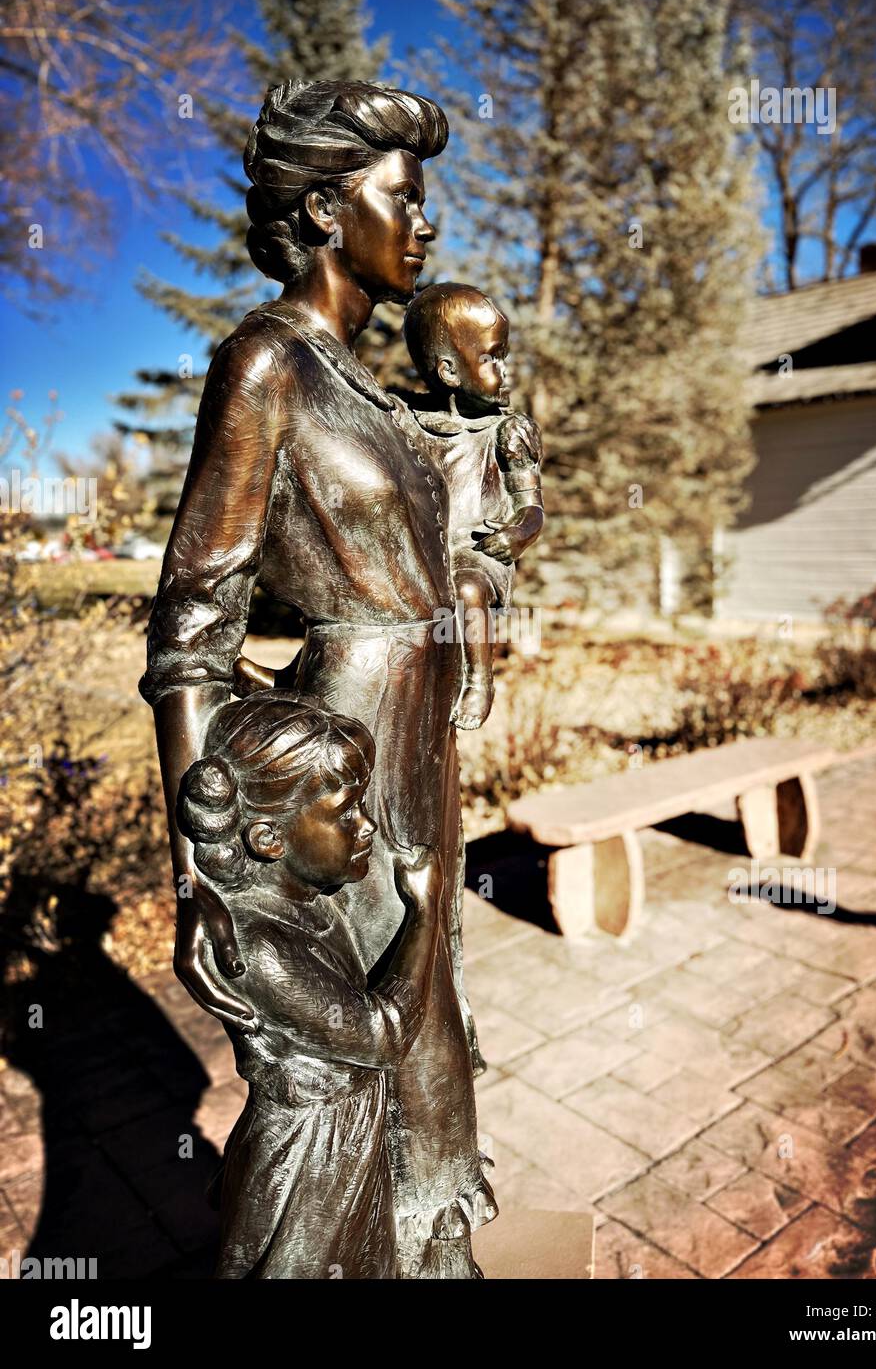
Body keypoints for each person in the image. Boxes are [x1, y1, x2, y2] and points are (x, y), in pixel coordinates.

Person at [140, 79, 495, 1278]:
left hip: (418, 744)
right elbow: (193, 626)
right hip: (336, 764)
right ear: (331, 212)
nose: (426, 223)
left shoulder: (372, 393)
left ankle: (411, 1250)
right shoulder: (264, 366)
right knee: (352, 1061)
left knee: (421, 1015)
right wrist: (212, 870)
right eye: (405, 198)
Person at [177, 689, 440, 1279]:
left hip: (344, 1138)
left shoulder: (313, 903)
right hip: (309, 1157)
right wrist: (426, 912)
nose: (366, 824)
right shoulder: (260, 950)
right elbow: (383, 1034)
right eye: (345, 811)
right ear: (270, 839)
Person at [398, 283, 544, 729]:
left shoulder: (506, 432)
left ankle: (479, 680)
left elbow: (532, 508)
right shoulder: (406, 421)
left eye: (505, 355)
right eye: (492, 357)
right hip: (422, 552)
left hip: (479, 555)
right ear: (448, 370)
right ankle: (299, 669)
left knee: (464, 589)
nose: (507, 369)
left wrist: (517, 534)